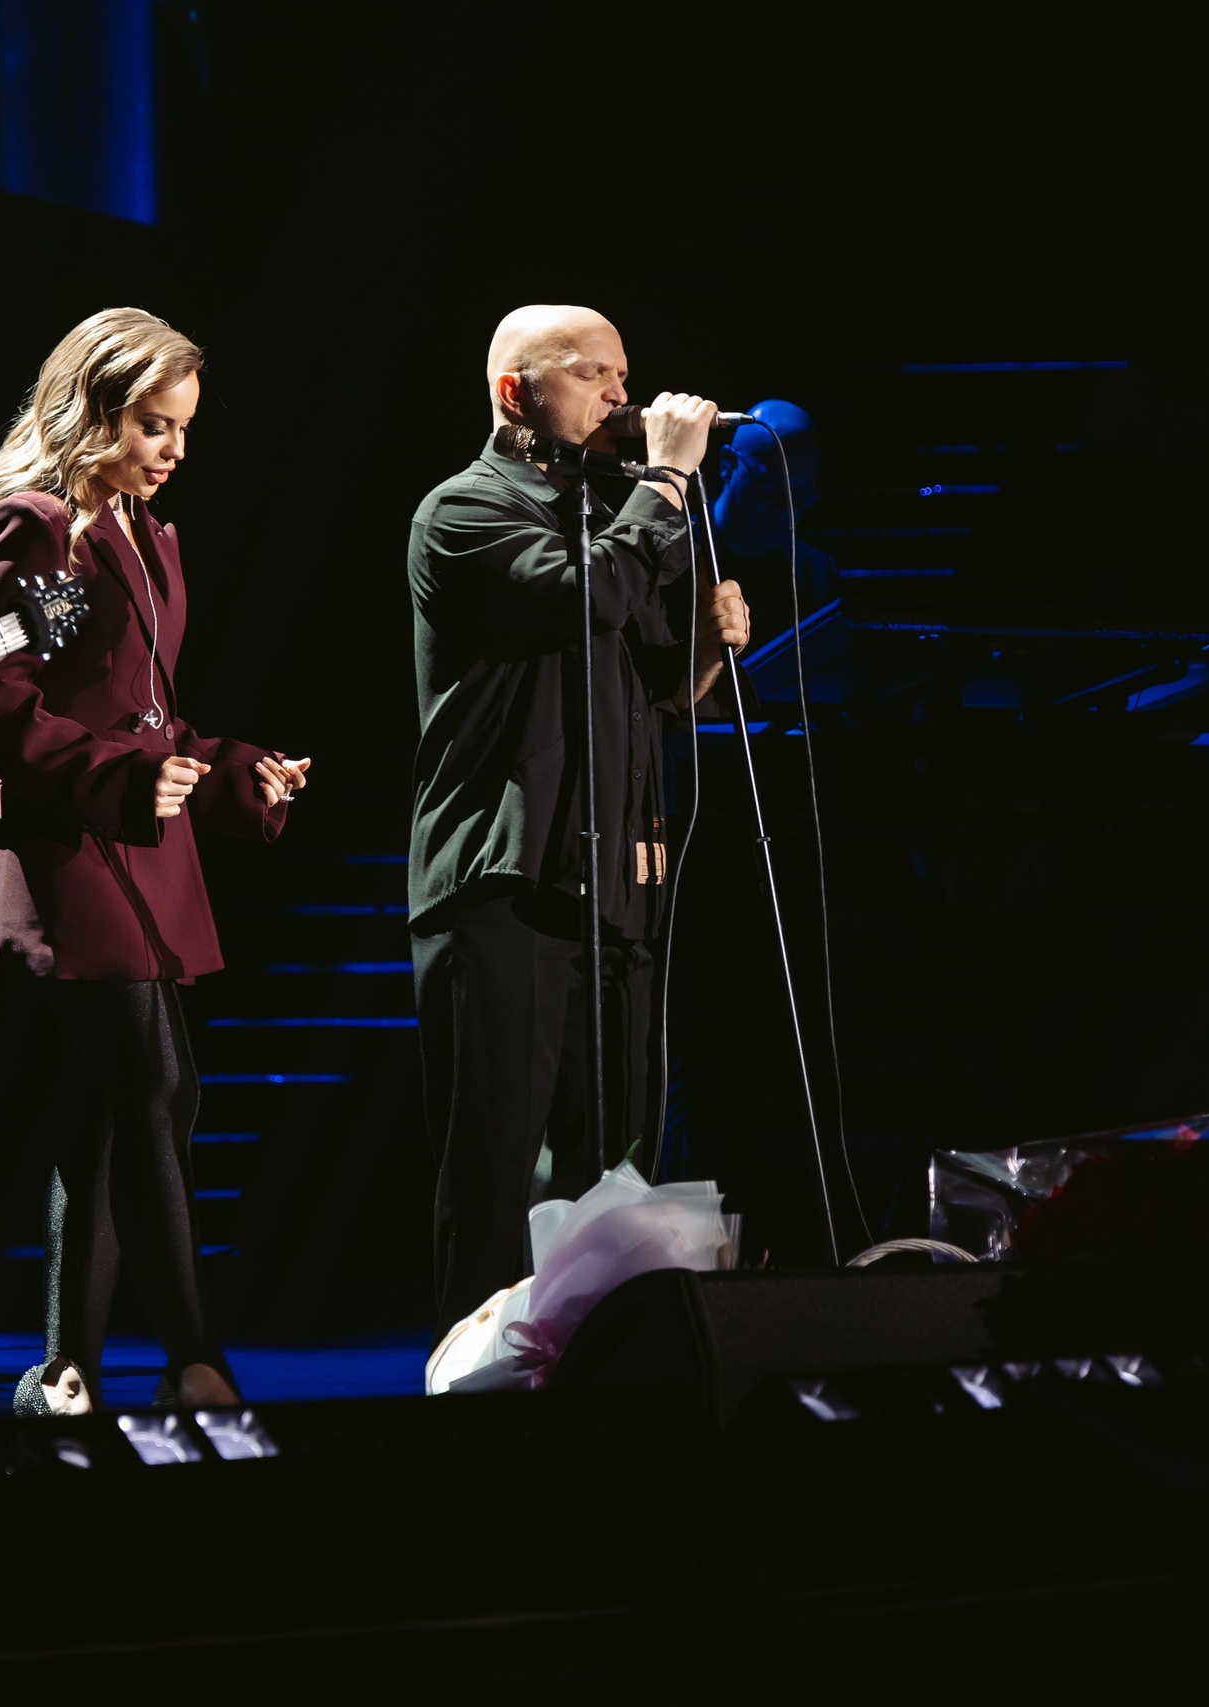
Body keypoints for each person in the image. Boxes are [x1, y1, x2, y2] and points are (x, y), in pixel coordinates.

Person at [0, 307, 310, 1415]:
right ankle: (195, 1359)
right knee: (156, 1084)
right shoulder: (33, 527)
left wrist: (237, 772)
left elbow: (147, 715)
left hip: (130, 837)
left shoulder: (150, 535)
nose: (174, 449)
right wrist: (117, 778)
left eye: (182, 427)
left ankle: (64, 1371)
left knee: (113, 1105)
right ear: (92, 414)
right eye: (153, 425)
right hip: (58, 840)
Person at [407, 304, 749, 1336]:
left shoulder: (611, 514)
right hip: (502, 884)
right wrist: (670, 481)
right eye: (595, 374)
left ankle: (595, 1377)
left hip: (614, 879)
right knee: (495, 1166)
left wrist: (707, 643)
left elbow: (660, 690)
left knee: (615, 1170)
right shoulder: (461, 510)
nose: (619, 396)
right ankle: (474, 1386)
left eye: (624, 375)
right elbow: (577, 600)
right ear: (518, 390)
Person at [706, 399, 835, 631]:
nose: (785, 507)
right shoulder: (672, 555)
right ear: (728, 464)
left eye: (800, 493)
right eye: (771, 486)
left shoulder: (816, 573)